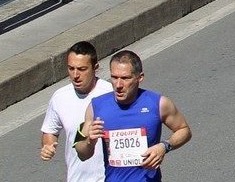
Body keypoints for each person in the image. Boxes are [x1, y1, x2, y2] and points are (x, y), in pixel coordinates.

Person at [73, 49, 192, 181]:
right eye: (114, 77)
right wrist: (89, 141)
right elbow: (81, 153)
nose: (118, 85)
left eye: (125, 78)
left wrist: (164, 146)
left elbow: (184, 130)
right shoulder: (95, 106)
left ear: (139, 77)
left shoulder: (158, 103)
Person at [40, 40, 111, 182]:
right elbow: (50, 130)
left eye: (82, 69)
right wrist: (47, 145)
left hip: (110, 177)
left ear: (95, 67)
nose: (75, 75)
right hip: (77, 177)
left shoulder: (110, 93)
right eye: (71, 68)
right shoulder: (60, 97)